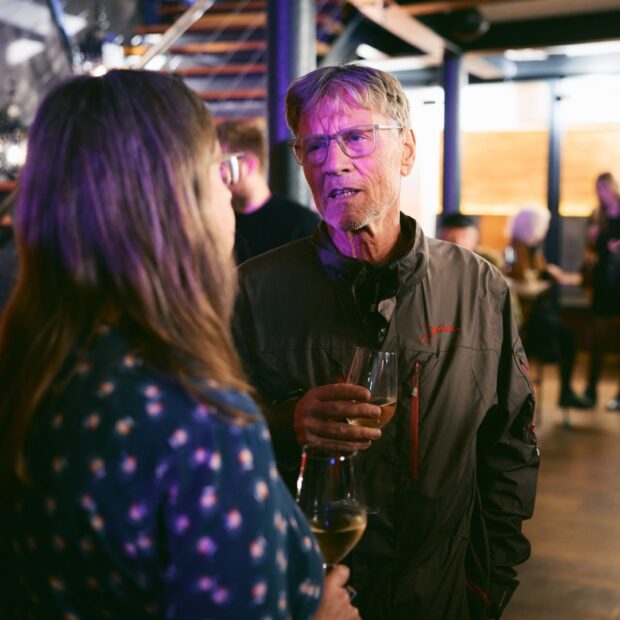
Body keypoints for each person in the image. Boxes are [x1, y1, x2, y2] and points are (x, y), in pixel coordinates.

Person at [0, 70, 360, 620]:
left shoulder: (33, 368)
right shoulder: (194, 415)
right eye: (218, 171)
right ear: (174, 205)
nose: (228, 191)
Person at [233, 65, 539, 620]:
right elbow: (209, 444)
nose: (332, 161)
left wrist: (486, 587)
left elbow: (509, 448)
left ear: (406, 150)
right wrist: (284, 421)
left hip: (443, 599)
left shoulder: (476, 287)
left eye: (354, 137)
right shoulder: (252, 291)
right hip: (308, 601)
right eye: (314, 145)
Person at [507, 204, 592, 409]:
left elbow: (538, 273)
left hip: (536, 313)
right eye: (543, 226)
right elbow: (518, 285)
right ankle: (564, 392)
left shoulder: (532, 249)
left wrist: (548, 272)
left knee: (565, 336)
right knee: (566, 339)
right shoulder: (513, 250)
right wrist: (545, 282)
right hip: (522, 321)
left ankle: (565, 391)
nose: (545, 230)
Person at [216, 119, 320, 263]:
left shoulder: (301, 224)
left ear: (250, 165)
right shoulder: (219, 223)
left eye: (223, 163)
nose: (219, 173)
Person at [440, 213, 523, 328]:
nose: (458, 242)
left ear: (475, 238)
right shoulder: (434, 264)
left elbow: (509, 308)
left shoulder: (490, 264)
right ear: (442, 237)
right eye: (452, 237)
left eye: (464, 236)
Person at [582, 172, 620, 410]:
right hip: (604, 283)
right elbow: (591, 251)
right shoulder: (596, 215)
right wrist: (592, 238)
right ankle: (590, 390)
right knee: (598, 339)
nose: (602, 194)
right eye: (598, 190)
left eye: (604, 189)